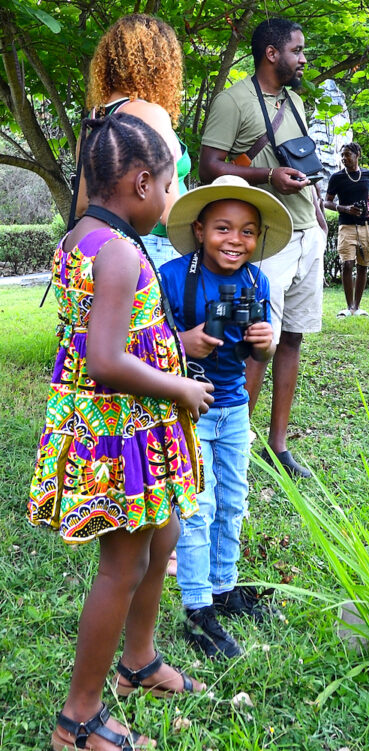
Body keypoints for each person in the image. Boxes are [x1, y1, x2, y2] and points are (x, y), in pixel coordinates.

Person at [28, 113, 213, 751]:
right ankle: (78, 720)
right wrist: (182, 386)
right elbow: (106, 360)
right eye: (168, 187)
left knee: (165, 536)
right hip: (120, 429)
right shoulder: (119, 252)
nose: (169, 201)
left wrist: (173, 342)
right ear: (140, 184)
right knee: (122, 565)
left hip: (125, 426)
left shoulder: (82, 236)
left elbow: (117, 330)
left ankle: (138, 664)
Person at [158, 175, 289, 658]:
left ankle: (223, 586)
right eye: (223, 229)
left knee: (233, 500)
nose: (235, 240)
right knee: (197, 509)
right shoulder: (171, 277)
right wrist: (182, 343)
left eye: (248, 231)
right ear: (199, 230)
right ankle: (197, 608)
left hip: (232, 409)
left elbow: (264, 353)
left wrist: (266, 344)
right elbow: (140, 347)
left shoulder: (257, 280)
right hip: (185, 410)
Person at [199, 17, 327, 480]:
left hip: (307, 231)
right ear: (272, 53)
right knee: (257, 343)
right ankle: (235, 446)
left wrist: (317, 211)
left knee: (292, 337)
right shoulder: (232, 100)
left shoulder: (294, 100)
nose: (303, 59)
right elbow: (210, 167)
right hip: (267, 238)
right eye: (297, 50)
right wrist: (267, 178)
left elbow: (299, 158)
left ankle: (277, 446)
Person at [79, 13, 189, 268]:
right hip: (154, 248)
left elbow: (82, 204)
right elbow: (168, 211)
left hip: (102, 246)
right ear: (161, 62)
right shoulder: (150, 114)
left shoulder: (95, 117)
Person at [323, 143, 369, 318]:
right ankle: (349, 307)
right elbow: (326, 202)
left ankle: (357, 306)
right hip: (347, 226)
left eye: (348, 154)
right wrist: (345, 208)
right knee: (347, 264)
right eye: (342, 155)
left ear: (358, 155)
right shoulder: (337, 178)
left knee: (363, 265)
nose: (344, 158)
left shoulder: (368, 175)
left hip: (366, 226)